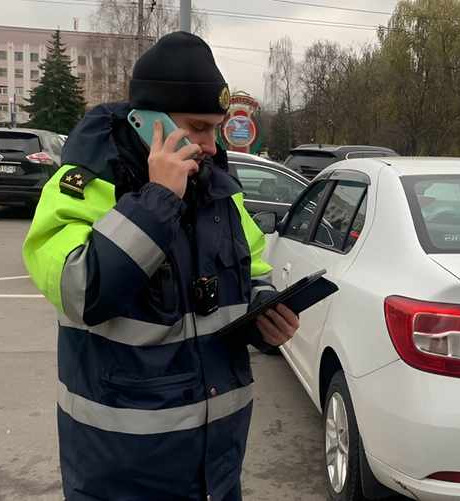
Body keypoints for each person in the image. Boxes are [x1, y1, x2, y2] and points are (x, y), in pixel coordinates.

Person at [22, 32, 299, 501]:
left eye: (216, 128)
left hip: (217, 466)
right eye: (198, 127)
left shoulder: (218, 192)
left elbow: (253, 272)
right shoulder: (84, 184)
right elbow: (79, 290)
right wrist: (157, 201)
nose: (212, 145)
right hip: (123, 473)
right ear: (146, 122)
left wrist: (264, 310)